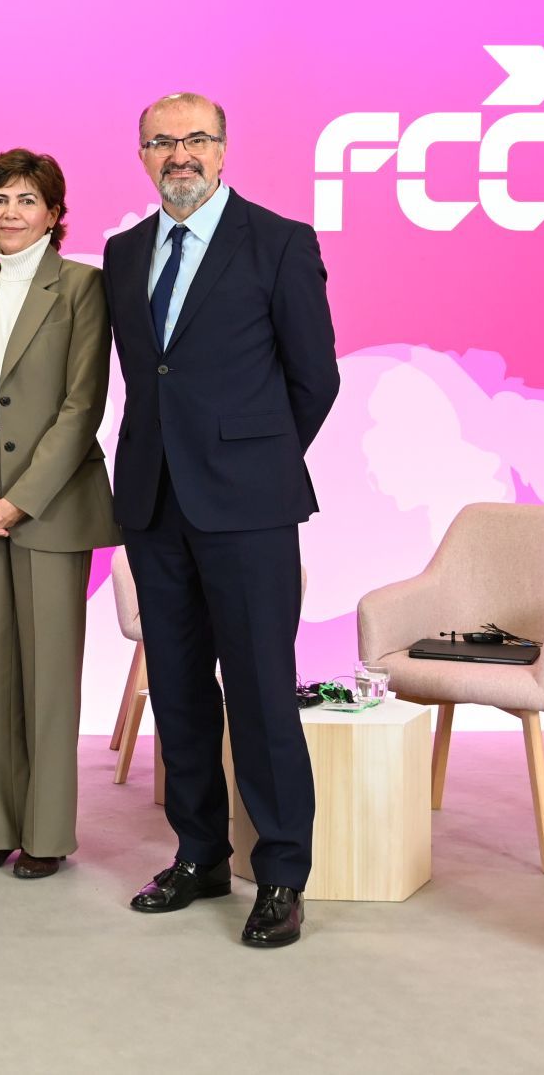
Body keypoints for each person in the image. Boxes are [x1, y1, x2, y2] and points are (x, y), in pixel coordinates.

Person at [105, 93, 339, 947]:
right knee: (178, 691)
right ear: (142, 155)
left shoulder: (279, 242)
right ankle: (200, 854)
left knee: (261, 692)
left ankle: (280, 874)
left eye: (196, 139)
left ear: (224, 148)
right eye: (162, 142)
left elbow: (315, 378)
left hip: (248, 507)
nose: (180, 154)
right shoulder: (125, 252)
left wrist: (254, 461)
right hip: (154, 502)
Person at [0, 149, 119, 880]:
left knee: (47, 675)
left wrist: (21, 500)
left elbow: (82, 405)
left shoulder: (82, 287)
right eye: (0, 199)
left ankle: (45, 835)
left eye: (27, 200)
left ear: (54, 214)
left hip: (50, 501)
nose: (10, 213)